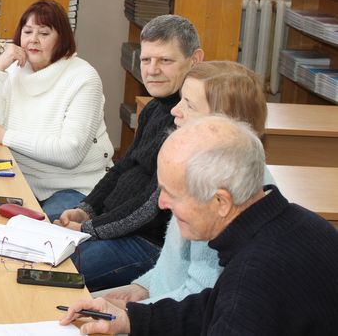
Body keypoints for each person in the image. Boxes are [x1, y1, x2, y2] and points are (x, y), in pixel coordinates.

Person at [60, 115, 338, 335]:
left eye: (173, 194)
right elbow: (212, 306)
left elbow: (233, 306)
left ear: (221, 201)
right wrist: (130, 319)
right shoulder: (301, 223)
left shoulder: (252, 277)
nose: (162, 204)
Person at [55, 14, 204, 291]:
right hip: (114, 224)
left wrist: (89, 229)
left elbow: (151, 207)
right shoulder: (153, 108)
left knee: (57, 266)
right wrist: (86, 211)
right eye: (146, 60)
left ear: (194, 60)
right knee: (42, 231)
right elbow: (123, 167)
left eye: (165, 60)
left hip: (147, 243)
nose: (152, 70)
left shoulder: (188, 121)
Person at [105, 61, 272, 304]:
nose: (175, 110)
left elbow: (198, 298)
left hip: (176, 312)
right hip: (161, 301)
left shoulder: (225, 189)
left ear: (222, 122)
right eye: (180, 99)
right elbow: (175, 260)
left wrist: (134, 313)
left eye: (189, 105)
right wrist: (143, 286)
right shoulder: (202, 164)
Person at [0, 0, 115, 221]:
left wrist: (5, 136)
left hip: (74, 186)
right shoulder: (16, 69)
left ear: (61, 39)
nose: (33, 40)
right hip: (22, 178)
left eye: (44, 33)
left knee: (35, 232)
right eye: (27, 32)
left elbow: (70, 153)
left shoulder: (84, 77)